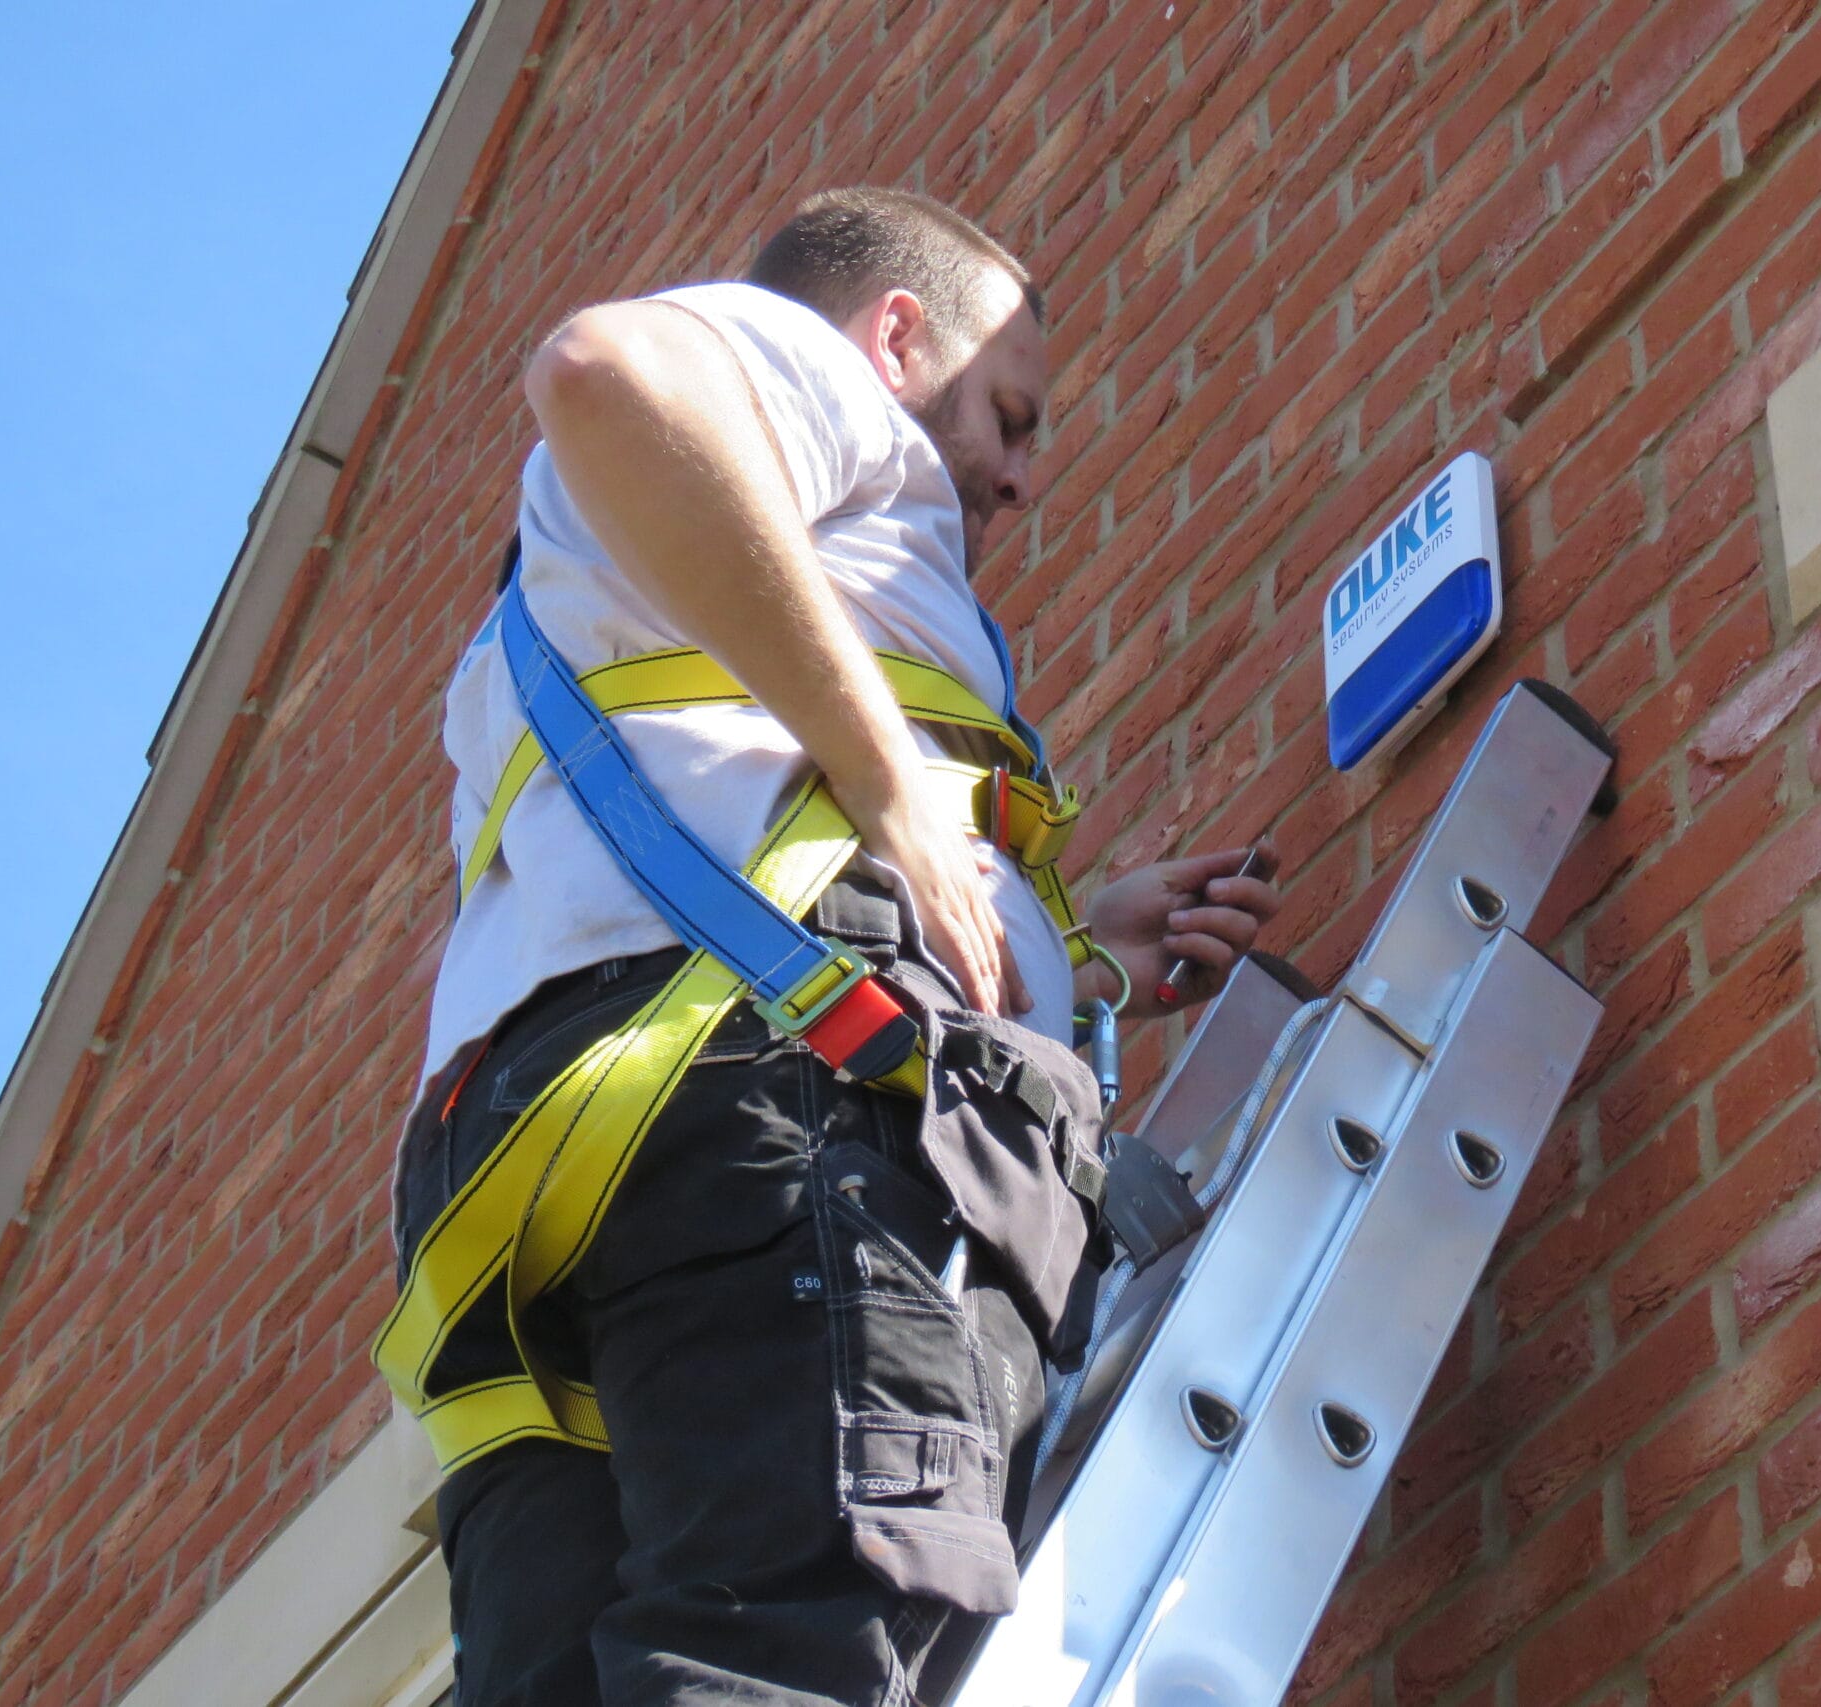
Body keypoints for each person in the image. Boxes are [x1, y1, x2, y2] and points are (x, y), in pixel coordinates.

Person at [381, 187, 1282, 1707]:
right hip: (768, 1092)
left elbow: (684, 822)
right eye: (1009, 415)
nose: (1018, 477)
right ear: (898, 337)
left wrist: (1061, 946)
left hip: (553, 1165)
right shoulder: (818, 380)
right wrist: (891, 786)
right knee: (799, 1653)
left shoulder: (596, 594)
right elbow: (604, 372)